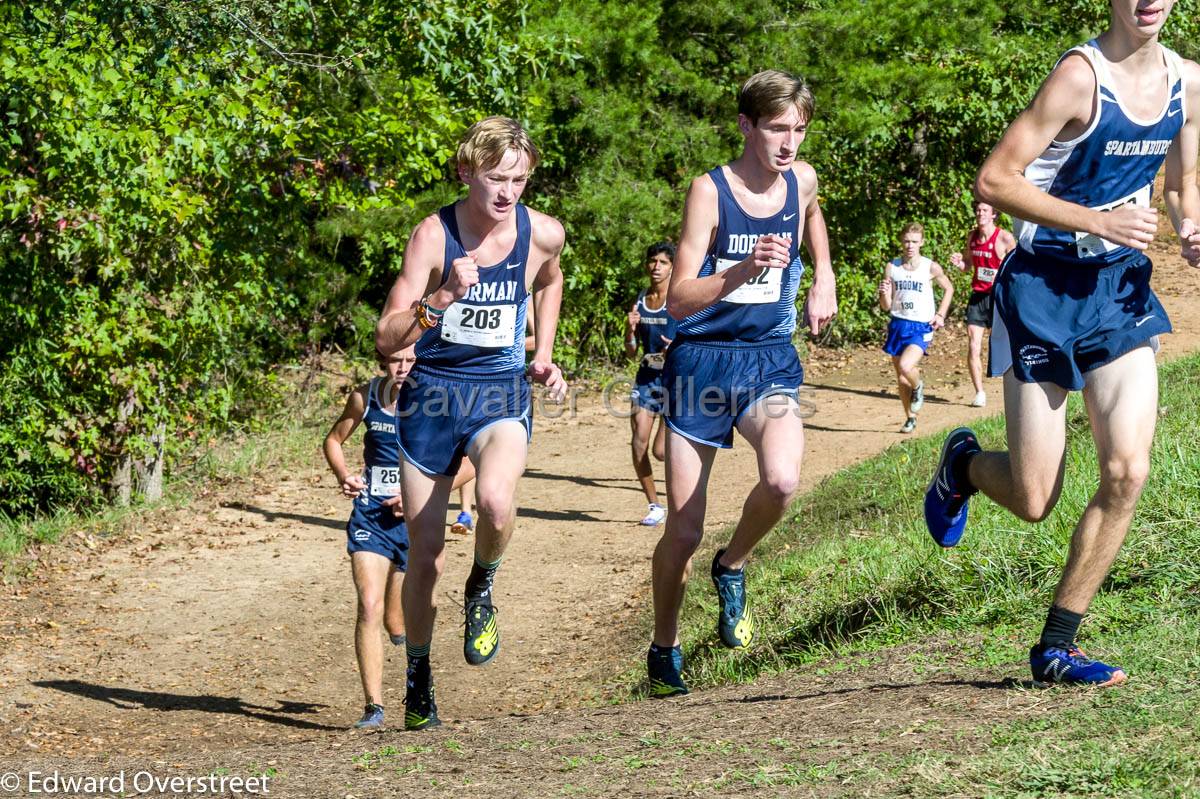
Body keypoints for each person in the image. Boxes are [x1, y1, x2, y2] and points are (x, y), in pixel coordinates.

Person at [924, 0, 1200, 687]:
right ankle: (962, 467)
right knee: (1033, 495)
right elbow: (995, 180)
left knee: (1127, 470)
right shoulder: (1081, 77)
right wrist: (1097, 220)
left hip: (1119, 293)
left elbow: (1181, 188)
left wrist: (1190, 227)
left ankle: (1057, 645)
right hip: (1042, 289)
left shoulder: (1189, 82)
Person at [647, 70, 837, 697]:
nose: (790, 142)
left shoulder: (801, 178)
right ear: (746, 126)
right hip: (700, 361)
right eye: (779, 128)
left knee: (782, 479)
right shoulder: (710, 191)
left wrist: (824, 275)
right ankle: (664, 646)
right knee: (683, 529)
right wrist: (739, 271)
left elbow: (812, 213)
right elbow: (677, 298)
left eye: (800, 129)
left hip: (767, 356)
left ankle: (733, 566)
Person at [375, 116, 567, 729]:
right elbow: (386, 338)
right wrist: (439, 302)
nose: (508, 191)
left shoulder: (543, 234)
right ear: (466, 172)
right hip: (431, 397)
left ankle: (482, 585)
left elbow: (551, 279)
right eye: (495, 178)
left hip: (499, 394)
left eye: (519, 178)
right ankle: (419, 673)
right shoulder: (433, 237)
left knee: (495, 502)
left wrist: (543, 352)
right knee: (426, 554)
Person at [323, 345, 476, 729]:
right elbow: (333, 440)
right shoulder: (366, 396)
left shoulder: (439, 402)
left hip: (417, 520)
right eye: (396, 361)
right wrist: (345, 476)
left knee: (399, 618)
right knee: (369, 606)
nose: (403, 368)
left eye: (411, 361)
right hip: (371, 515)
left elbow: (472, 463)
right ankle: (373, 707)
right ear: (383, 361)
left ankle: (410, 662)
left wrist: (420, 496)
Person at [878, 222, 954, 433]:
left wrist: (940, 314)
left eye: (914, 241)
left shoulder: (930, 267)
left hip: (921, 326)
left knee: (906, 366)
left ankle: (919, 387)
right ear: (901, 242)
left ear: (922, 242)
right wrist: (883, 293)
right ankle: (910, 417)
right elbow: (886, 305)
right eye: (906, 241)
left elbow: (949, 288)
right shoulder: (892, 267)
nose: (910, 245)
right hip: (898, 324)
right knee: (902, 377)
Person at [624, 242, 678, 526]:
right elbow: (631, 351)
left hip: (675, 380)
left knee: (660, 451)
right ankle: (655, 505)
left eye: (663, 262)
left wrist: (677, 347)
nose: (656, 267)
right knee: (638, 444)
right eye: (653, 261)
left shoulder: (679, 299)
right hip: (646, 377)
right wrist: (630, 331)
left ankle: (682, 492)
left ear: (672, 267)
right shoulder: (641, 299)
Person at [949, 201, 1016, 407]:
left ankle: (1016, 383)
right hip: (978, 297)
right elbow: (968, 265)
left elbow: (1017, 266)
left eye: (984, 210)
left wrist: (1000, 275)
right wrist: (960, 263)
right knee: (973, 344)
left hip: (999, 296)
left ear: (994, 214)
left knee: (1010, 342)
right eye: (978, 210)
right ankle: (979, 392)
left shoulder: (1004, 238)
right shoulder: (972, 237)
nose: (980, 213)